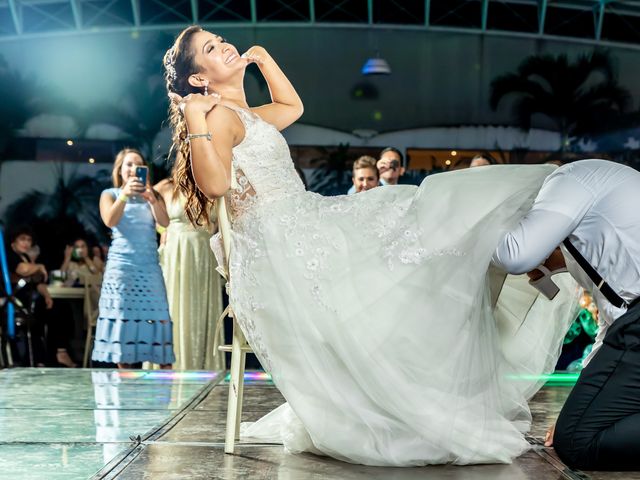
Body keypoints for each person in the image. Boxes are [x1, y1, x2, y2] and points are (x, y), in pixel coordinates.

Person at [164, 26, 575, 466]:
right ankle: (531, 248)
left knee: (406, 221)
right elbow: (216, 184)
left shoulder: (246, 114)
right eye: (210, 48)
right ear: (198, 79)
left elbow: (292, 106)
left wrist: (264, 61)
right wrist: (194, 121)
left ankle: (514, 254)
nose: (224, 45)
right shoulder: (220, 118)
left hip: (300, 223)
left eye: (219, 38)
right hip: (284, 241)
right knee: (410, 226)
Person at [493, 159, 640, 471]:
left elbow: (516, 256)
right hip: (633, 323)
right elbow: (611, 323)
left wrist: (480, 239)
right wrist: (582, 405)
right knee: (577, 426)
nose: (545, 273)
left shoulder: (567, 178)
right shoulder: (593, 236)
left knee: (576, 441)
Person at [92, 148, 175, 369]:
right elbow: (110, 220)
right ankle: (125, 384)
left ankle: (166, 379)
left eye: (138, 164)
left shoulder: (153, 195)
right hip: (122, 267)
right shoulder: (109, 194)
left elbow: (165, 223)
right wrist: (126, 194)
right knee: (123, 321)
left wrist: (152, 199)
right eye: (128, 164)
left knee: (159, 317)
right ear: (120, 170)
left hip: (149, 266)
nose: (133, 168)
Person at [155, 176, 225, 370]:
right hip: (177, 252)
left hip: (204, 253)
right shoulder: (166, 186)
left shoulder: (212, 185)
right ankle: (171, 364)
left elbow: (222, 223)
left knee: (202, 308)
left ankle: (203, 367)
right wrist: (162, 230)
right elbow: (151, 211)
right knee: (174, 305)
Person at [6, 227, 77, 367]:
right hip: (15, 302)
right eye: (22, 239)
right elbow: (23, 270)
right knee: (53, 310)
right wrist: (38, 266)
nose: (26, 243)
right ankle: (53, 355)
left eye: (29, 240)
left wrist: (47, 296)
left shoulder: (25, 257)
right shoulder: (9, 255)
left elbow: (38, 282)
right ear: (13, 242)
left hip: (31, 300)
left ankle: (57, 353)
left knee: (60, 307)